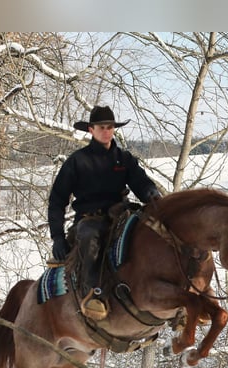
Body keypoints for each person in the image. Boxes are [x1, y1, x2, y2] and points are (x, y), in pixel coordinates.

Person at [47, 105, 161, 319]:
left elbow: (143, 184)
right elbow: (57, 200)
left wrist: (156, 200)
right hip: (90, 219)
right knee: (90, 237)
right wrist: (57, 237)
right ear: (91, 130)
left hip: (122, 215)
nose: (106, 131)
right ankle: (93, 294)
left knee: (151, 233)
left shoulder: (124, 159)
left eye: (110, 127)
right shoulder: (77, 161)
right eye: (101, 127)